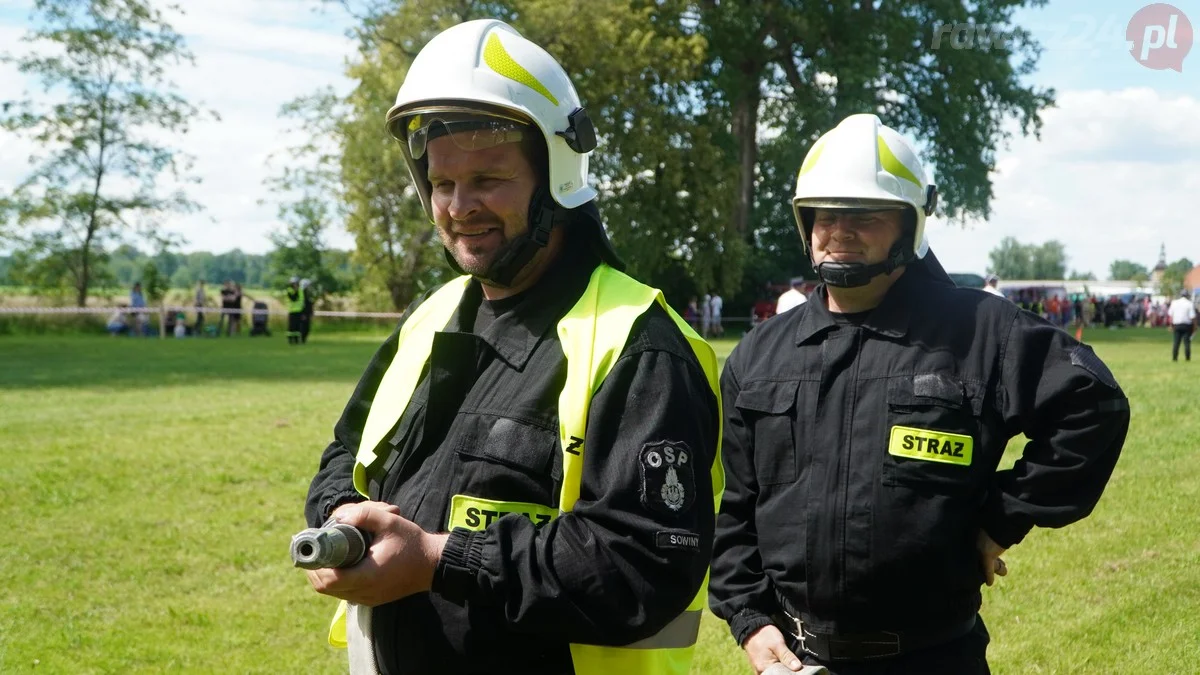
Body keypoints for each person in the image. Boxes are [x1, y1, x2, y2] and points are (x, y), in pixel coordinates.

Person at [301, 19, 721, 675]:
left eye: (488, 179)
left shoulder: (639, 343)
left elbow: (643, 559)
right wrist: (340, 517)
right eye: (442, 184)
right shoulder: (432, 318)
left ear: (556, 179)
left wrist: (439, 559)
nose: (459, 207)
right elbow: (345, 454)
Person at [708, 113, 1130, 675]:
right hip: (796, 661)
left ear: (910, 226)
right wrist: (749, 620)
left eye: (864, 215)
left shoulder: (980, 330)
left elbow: (1092, 403)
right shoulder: (759, 357)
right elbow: (737, 510)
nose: (841, 230)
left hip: (933, 657)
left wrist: (1003, 518)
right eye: (826, 214)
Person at [1167, 288, 1196, 362]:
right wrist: (1195, 326)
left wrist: (1170, 325)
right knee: (1187, 342)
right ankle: (1187, 358)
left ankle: (1174, 358)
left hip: (1176, 325)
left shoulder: (1174, 303)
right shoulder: (1189, 303)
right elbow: (1192, 317)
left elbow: (1171, 315)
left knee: (1176, 342)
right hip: (1186, 325)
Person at [285, 277, 303, 345]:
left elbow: (301, 301)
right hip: (292, 311)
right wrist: (296, 291)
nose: (295, 285)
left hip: (299, 311)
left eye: (296, 283)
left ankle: (296, 340)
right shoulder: (289, 290)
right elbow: (294, 299)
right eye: (294, 284)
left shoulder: (300, 290)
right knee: (291, 326)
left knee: (297, 326)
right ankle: (290, 340)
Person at [300, 278, 315, 344]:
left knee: (307, 328)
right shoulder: (302, 293)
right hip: (304, 314)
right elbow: (303, 305)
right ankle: (302, 339)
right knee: (304, 327)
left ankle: (304, 339)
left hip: (307, 313)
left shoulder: (307, 293)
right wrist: (302, 314)